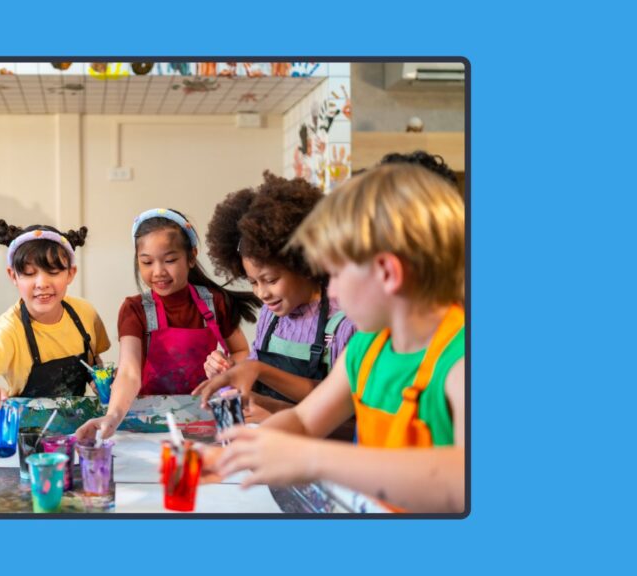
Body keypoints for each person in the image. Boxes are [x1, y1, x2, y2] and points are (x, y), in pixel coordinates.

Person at [210, 164, 466, 513]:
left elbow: (462, 480)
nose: (333, 291)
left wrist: (314, 458)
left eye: (335, 274)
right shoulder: (367, 348)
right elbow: (303, 421)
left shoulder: (460, 361)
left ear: (388, 273)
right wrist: (247, 446)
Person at [194, 172, 356, 434]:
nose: (261, 293)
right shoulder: (272, 316)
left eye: (270, 279)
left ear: (304, 263)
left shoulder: (344, 324)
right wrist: (232, 373)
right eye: (253, 282)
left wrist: (269, 402)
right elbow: (257, 379)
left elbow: (349, 419)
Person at [76, 208, 258, 441]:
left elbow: (242, 351)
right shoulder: (135, 309)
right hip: (149, 425)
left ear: (192, 256)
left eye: (170, 260)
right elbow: (130, 373)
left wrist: (227, 367)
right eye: (147, 262)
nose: (158, 272)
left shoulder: (214, 302)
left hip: (205, 418)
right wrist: (112, 416)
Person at [0, 220, 110, 414]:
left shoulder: (85, 313)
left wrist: (102, 381)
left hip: (76, 427)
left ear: (70, 273)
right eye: (29, 273)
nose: (42, 283)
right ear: (13, 276)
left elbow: (93, 364)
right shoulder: (7, 332)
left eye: (53, 272)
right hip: (28, 432)